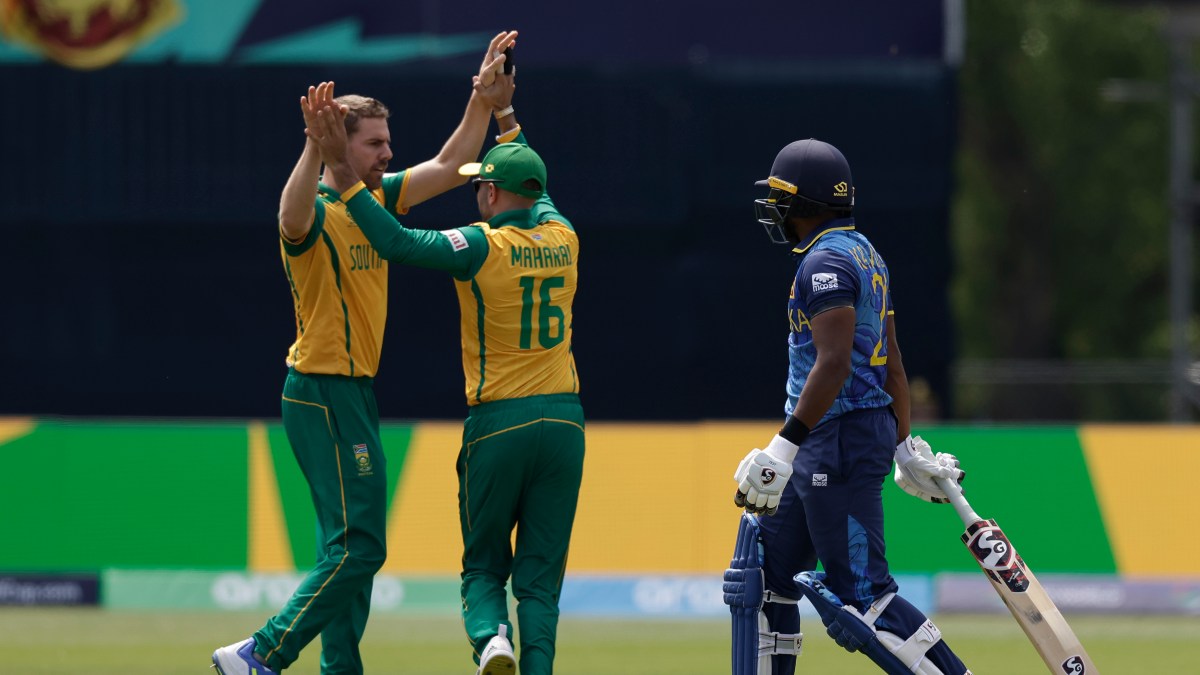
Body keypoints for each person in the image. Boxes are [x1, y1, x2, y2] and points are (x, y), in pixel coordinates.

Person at [210, 30, 519, 675]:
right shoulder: (317, 208)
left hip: (350, 393)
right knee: (361, 548)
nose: (388, 153)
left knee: (345, 549)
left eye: (386, 141)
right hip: (321, 392)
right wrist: (313, 147)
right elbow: (290, 218)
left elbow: (451, 162)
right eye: (374, 142)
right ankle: (260, 651)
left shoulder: (374, 198)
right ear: (340, 144)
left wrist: (483, 100)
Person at [306, 58, 584, 675]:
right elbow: (531, 179)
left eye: (481, 185)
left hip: (500, 422)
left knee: (483, 566)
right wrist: (502, 111)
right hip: (566, 424)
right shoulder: (564, 234)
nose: (476, 191)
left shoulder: (480, 244)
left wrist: (346, 180)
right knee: (540, 580)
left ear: (491, 194)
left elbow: (398, 243)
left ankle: (491, 639)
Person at [723, 139, 972, 675]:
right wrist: (903, 445)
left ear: (804, 202)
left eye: (781, 196)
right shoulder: (864, 252)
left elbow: (835, 362)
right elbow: (892, 361)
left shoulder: (826, 262)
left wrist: (783, 447)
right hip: (836, 436)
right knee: (763, 578)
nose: (775, 208)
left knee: (864, 599)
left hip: (837, 439)